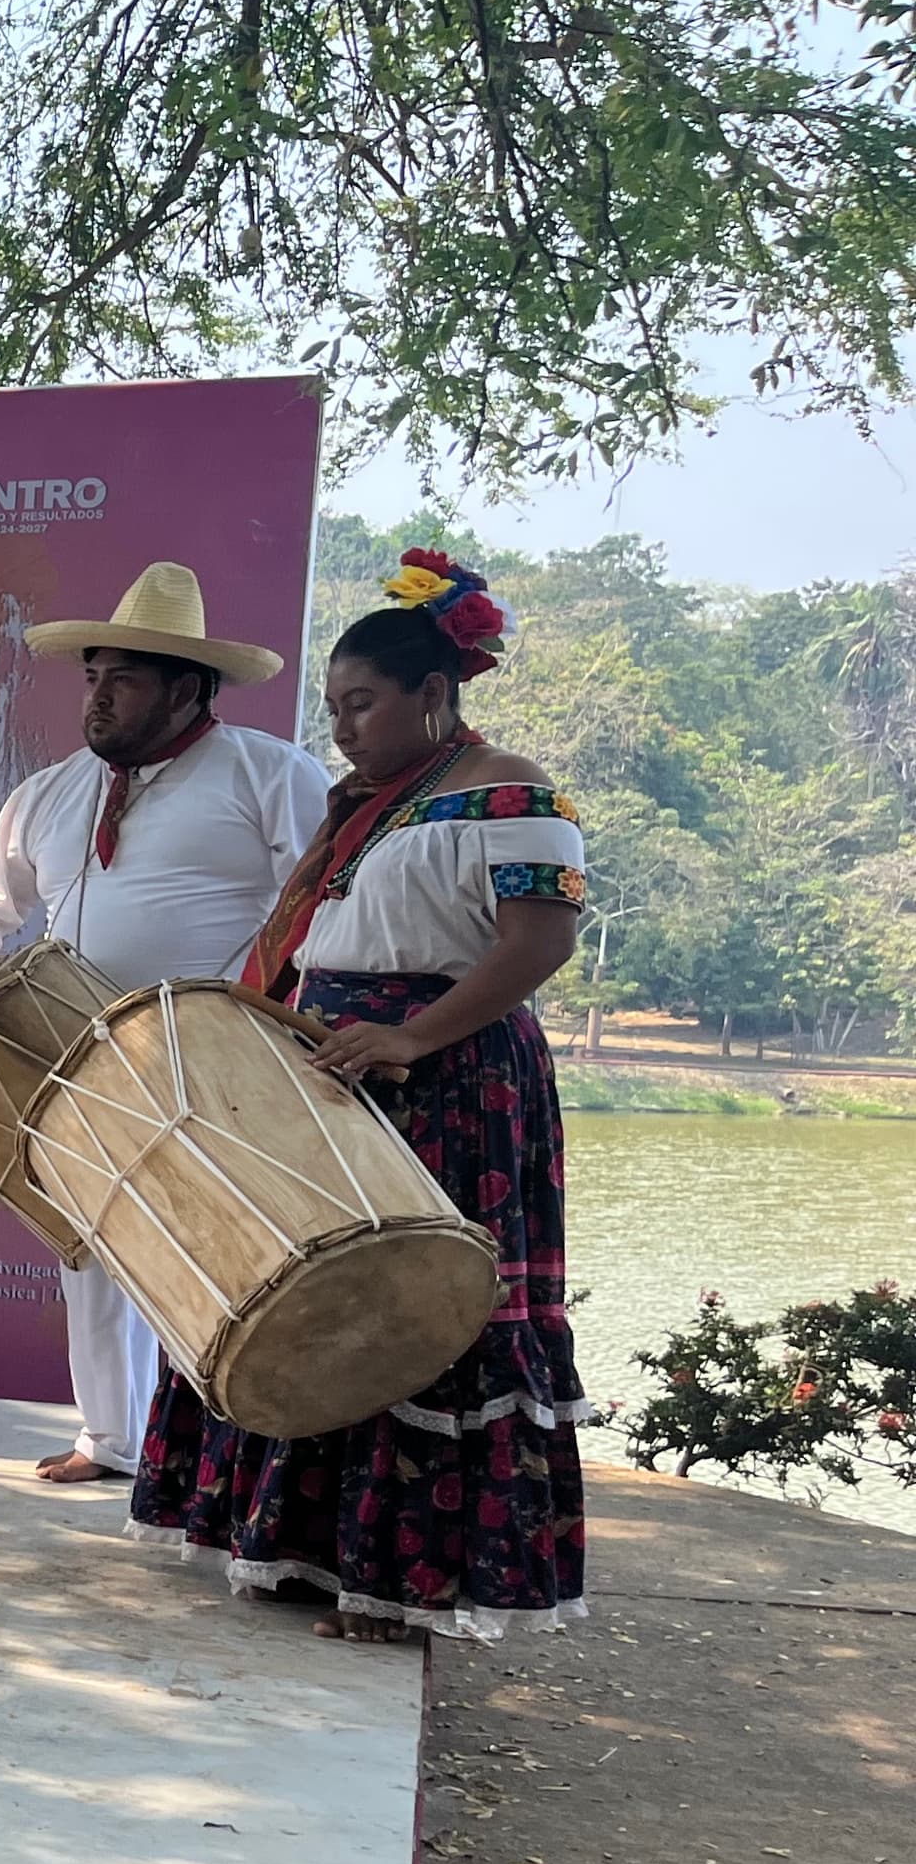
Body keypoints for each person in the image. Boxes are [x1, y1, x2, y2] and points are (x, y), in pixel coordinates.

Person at [132, 551, 589, 1642]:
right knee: (313, 1291)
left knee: (417, 1304)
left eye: (364, 703)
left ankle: (408, 1581)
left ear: (435, 695)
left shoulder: (516, 793)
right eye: (333, 706)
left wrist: (412, 1034)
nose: (343, 726)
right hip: (339, 1067)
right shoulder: (366, 804)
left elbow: (541, 942)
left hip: (449, 1077)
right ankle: (303, 1551)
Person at [0, 561, 332, 1483]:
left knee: (218, 1252)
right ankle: (110, 1440)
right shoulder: (52, 789)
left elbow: (317, 904)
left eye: (124, 680)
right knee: (92, 1249)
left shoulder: (271, 774)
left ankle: (221, 1451)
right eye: (92, 677)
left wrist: (262, 1020)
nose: (100, 698)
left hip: (215, 1057)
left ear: (187, 688)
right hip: (77, 1051)